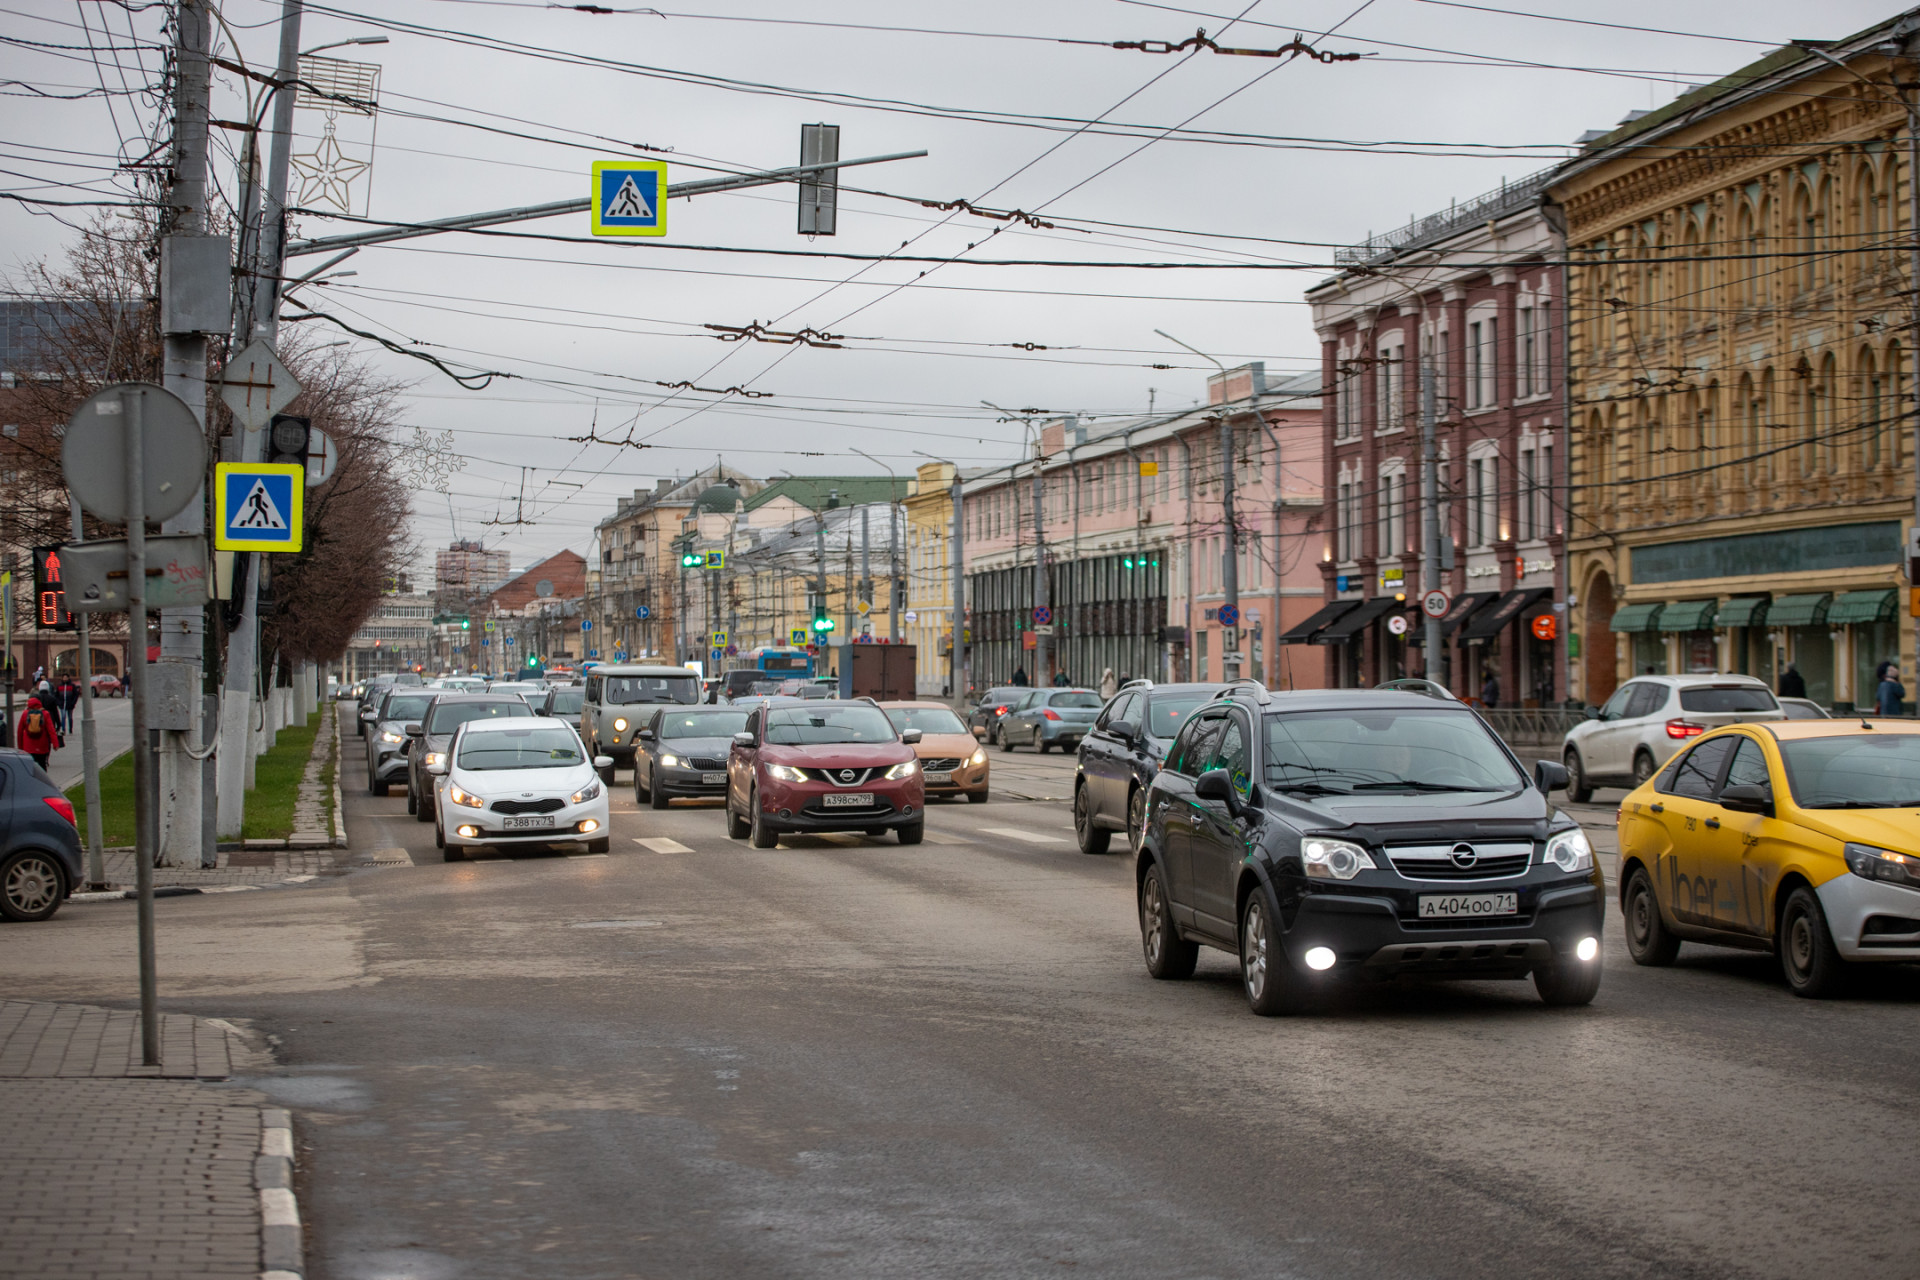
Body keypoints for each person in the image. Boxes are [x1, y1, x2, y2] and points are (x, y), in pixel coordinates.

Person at [15, 695, 60, 770]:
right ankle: (42, 781)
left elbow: (19, 731)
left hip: (28, 747)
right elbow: (51, 730)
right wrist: (55, 744)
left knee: (30, 768)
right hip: (42, 746)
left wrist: (20, 747)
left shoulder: (25, 714)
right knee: (42, 766)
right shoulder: (45, 714)